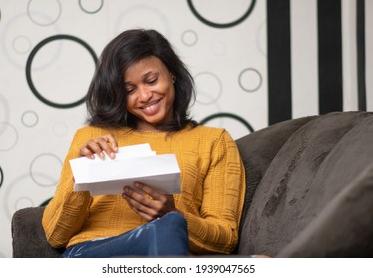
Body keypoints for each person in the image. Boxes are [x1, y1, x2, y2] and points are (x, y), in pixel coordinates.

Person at [42, 28, 246, 257]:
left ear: (172, 73)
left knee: (167, 230)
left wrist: (173, 216)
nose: (144, 96)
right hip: (93, 252)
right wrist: (82, 174)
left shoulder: (213, 142)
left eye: (151, 80)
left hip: (167, 250)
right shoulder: (91, 137)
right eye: (129, 90)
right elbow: (55, 235)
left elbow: (226, 238)